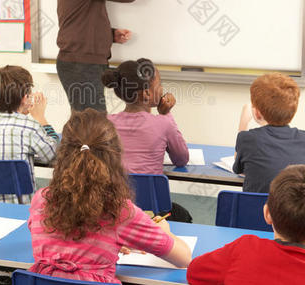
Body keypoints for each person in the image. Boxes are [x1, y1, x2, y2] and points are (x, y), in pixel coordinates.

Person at [28, 109, 191, 283]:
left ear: (63, 154)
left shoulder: (41, 199)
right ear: (115, 157)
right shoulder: (120, 212)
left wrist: (109, 242)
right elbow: (185, 258)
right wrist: (164, 231)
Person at [0, 65, 58, 204]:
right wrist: (41, 118)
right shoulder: (29, 126)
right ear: (25, 98)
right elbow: (53, 154)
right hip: (18, 205)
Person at [233, 72, 305, 193]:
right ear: (293, 111)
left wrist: (243, 124)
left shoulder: (248, 139)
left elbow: (239, 169)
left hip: (256, 210)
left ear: (256, 113)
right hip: (297, 211)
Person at [102, 58, 188, 173]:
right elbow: (181, 159)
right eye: (159, 84)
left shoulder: (106, 123)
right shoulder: (164, 123)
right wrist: (166, 114)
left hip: (115, 191)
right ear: (146, 93)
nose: (162, 88)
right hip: (150, 191)